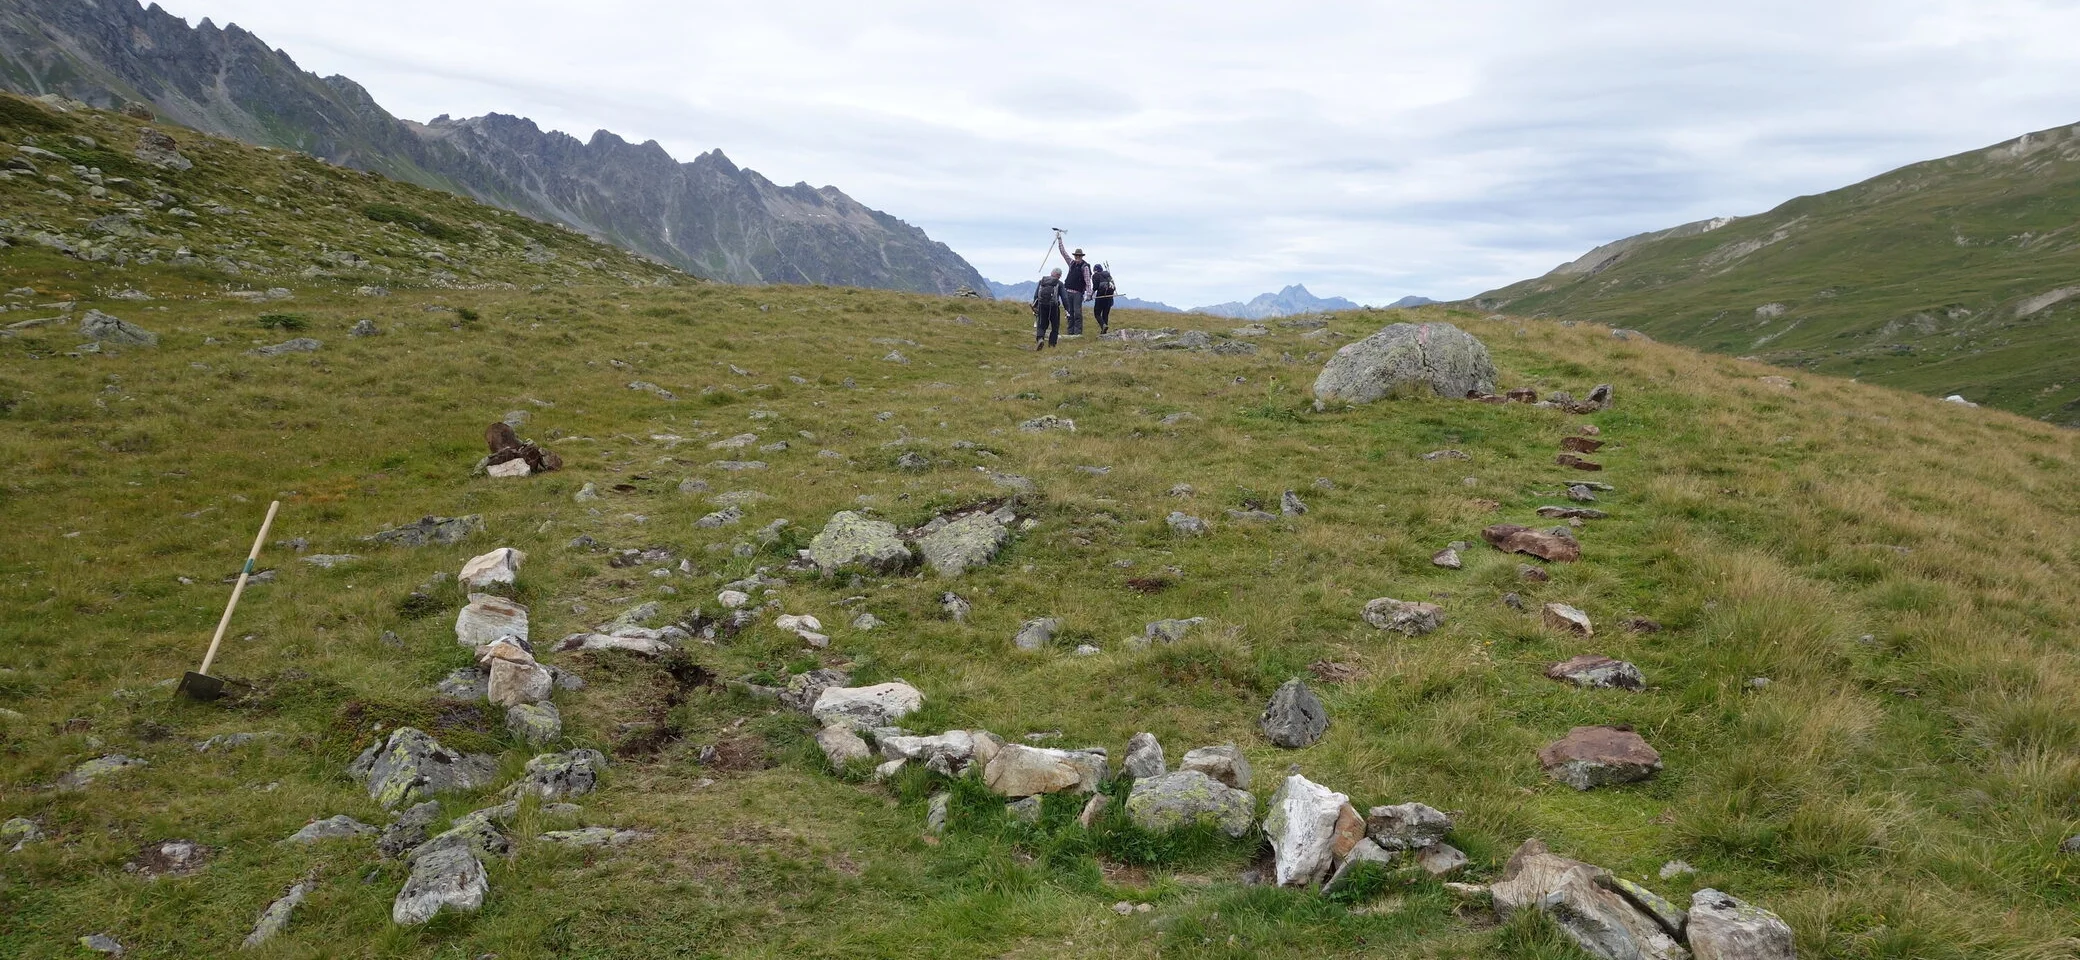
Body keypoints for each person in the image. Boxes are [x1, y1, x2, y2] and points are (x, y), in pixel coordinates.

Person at [1054, 235, 1093, 335]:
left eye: (1079, 256)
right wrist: (1059, 240)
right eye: (1076, 256)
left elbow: (1088, 281)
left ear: (1082, 256)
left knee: (1077, 313)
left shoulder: (1085, 267)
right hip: (1068, 292)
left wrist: (1088, 294)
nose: (1077, 257)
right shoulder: (1071, 263)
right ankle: (1070, 332)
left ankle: (1078, 332)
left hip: (1078, 294)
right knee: (1069, 313)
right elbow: (1063, 253)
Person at [1031, 269, 1063, 350]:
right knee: (1055, 326)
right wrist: (1068, 309)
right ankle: (1052, 345)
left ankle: (1040, 339)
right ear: (1059, 276)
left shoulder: (1042, 281)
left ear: (1051, 273)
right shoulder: (1059, 283)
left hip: (1042, 305)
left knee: (1041, 324)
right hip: (1054, 307)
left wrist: (1035, 306)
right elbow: (1064, 297)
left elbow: (1036, 295)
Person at [1090, 262, 1116, 335]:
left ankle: (1103, 325)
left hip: (1101, 297)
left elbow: (1095, 287)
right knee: (1105, 314)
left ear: (1095, 270)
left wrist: (1091, 295)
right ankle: (1104, 332)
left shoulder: (1096, 275)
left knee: (1097, 313)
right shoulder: (1108, 274)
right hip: (1109, 297)